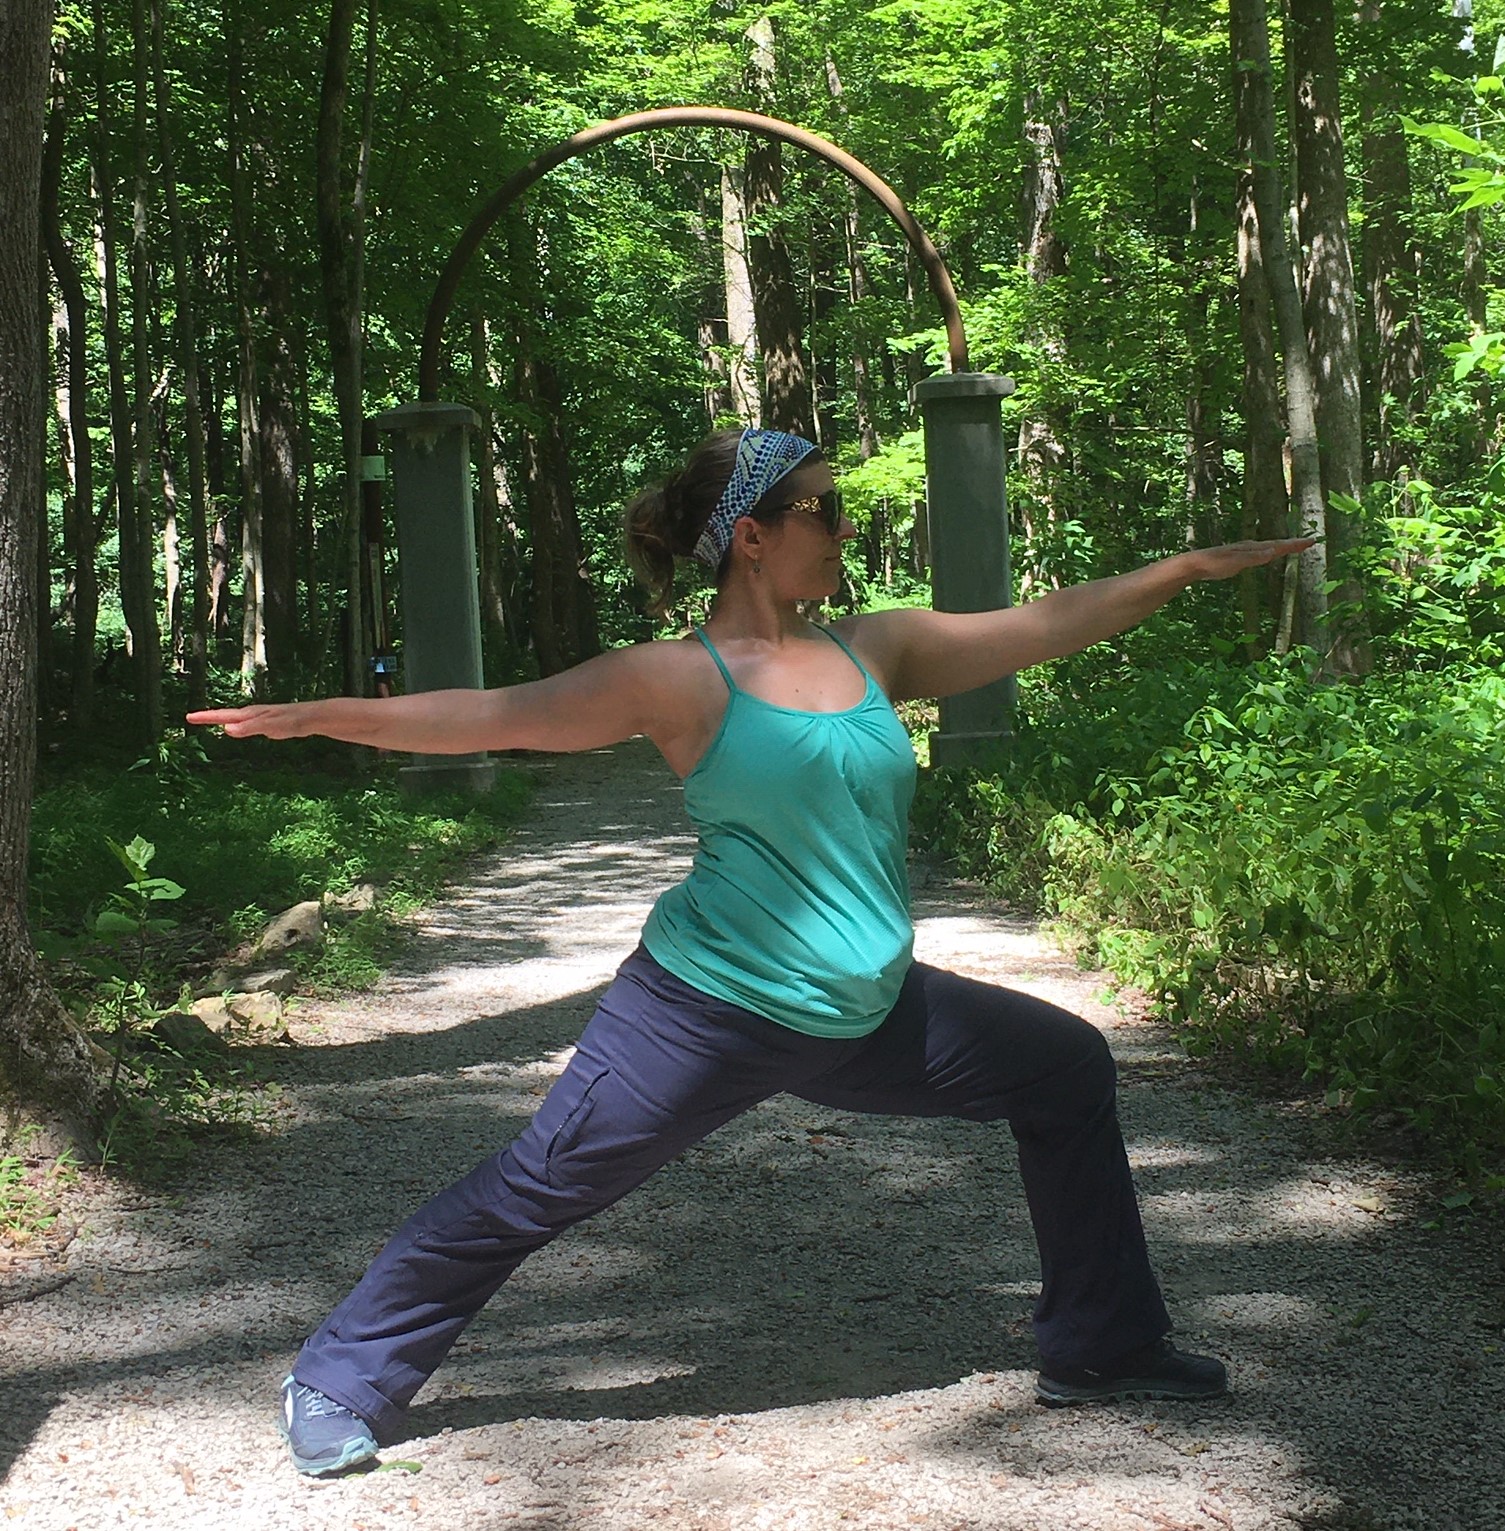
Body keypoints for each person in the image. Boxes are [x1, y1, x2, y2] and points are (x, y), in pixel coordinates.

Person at [189, 426, 1311, 1477]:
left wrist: (1179, 570)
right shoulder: (677, 677)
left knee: (1064, 1066)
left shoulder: (878, 648)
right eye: (822, 511)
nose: (842, 533)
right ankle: (337, 1380)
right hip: (703, 1013)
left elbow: (1041, 622)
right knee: (536, 1186)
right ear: (752, 533)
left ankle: (1099, 1344)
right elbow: (492, 713)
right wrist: (327, 714)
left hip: (865, 1013)